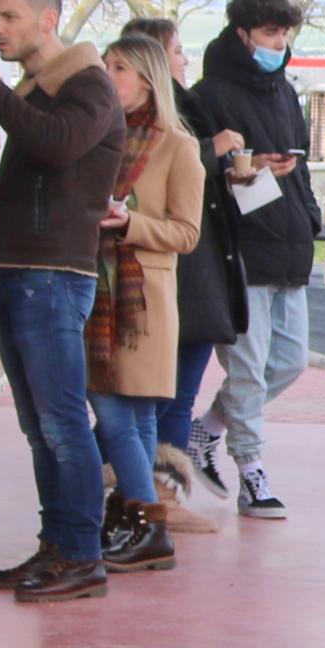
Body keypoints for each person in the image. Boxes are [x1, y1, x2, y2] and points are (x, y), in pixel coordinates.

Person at [0, 0, 125, 604]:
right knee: (40, 428)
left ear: (46, 20)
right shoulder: (37, 92)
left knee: (62, 424)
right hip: (23, 277)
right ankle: (57, 546)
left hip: (57, 278)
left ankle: (83, 554)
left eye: (8, 17)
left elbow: (58, 148)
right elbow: (15, 195)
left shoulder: (88, 88)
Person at [190, 0, 323, 521]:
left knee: (288, 362)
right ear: (243, 34)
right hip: (240, 250)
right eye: (271, 32)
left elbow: (304, 165)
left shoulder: (286, 92)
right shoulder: (208, 95)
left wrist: (310, 216)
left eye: (285, 32)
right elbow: (201, 172)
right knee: (247, 367)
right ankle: (251, 471)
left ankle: (206, 431)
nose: (280, 41)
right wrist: (247, 168)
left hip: (289, 245)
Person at [83, 31, 205, 574]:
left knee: (117, 412)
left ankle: (145, 522)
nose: (109, 77)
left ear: (149, 79)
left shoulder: (178, 146)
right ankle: (134, 523)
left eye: (120, 69)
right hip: (92, 288)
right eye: (106, 65)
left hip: (142, 299)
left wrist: (129, 221)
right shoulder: (97, 136)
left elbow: (186, 231)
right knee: (130, 415)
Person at [133, 13, 242, 515]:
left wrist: (245, 168)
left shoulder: (190, 108)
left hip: (200, 270)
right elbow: (160, 173)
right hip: (177, 274)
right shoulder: (156, 123)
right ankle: (151, 496)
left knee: (173, 394)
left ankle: (163, 493)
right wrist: (210, 149)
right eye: (177, 51)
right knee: (156, 398)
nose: (184, 60)